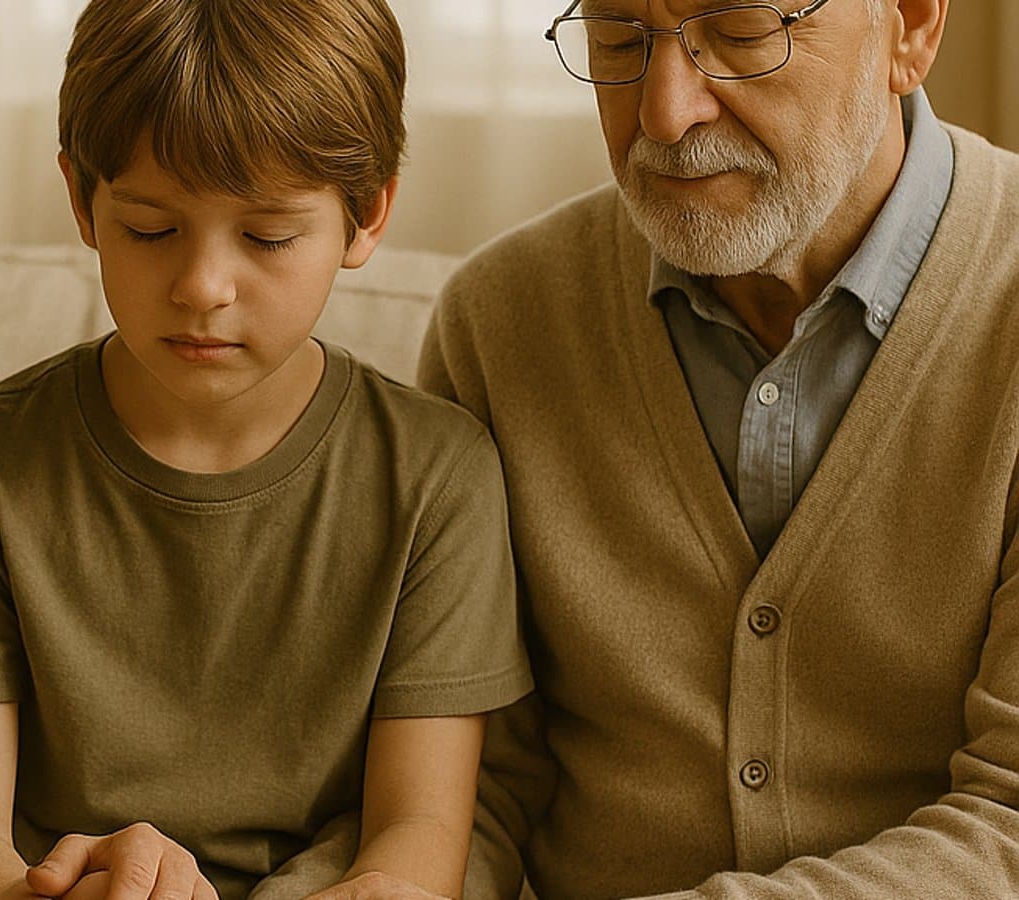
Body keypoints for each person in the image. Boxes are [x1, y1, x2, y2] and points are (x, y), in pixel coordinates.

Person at [0, 1, 532, 899]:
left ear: (366, 215)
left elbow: (421, 828)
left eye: (268, 237)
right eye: (151, 229)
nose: (201, 287)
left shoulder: (437, 477)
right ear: (82, 200)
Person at [411, 0, 1019, 896]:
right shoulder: (498, 325)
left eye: (741, 30)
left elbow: (1010, 825)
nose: (665, 112)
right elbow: (465, 790)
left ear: (911, 29)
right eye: (620, 37)